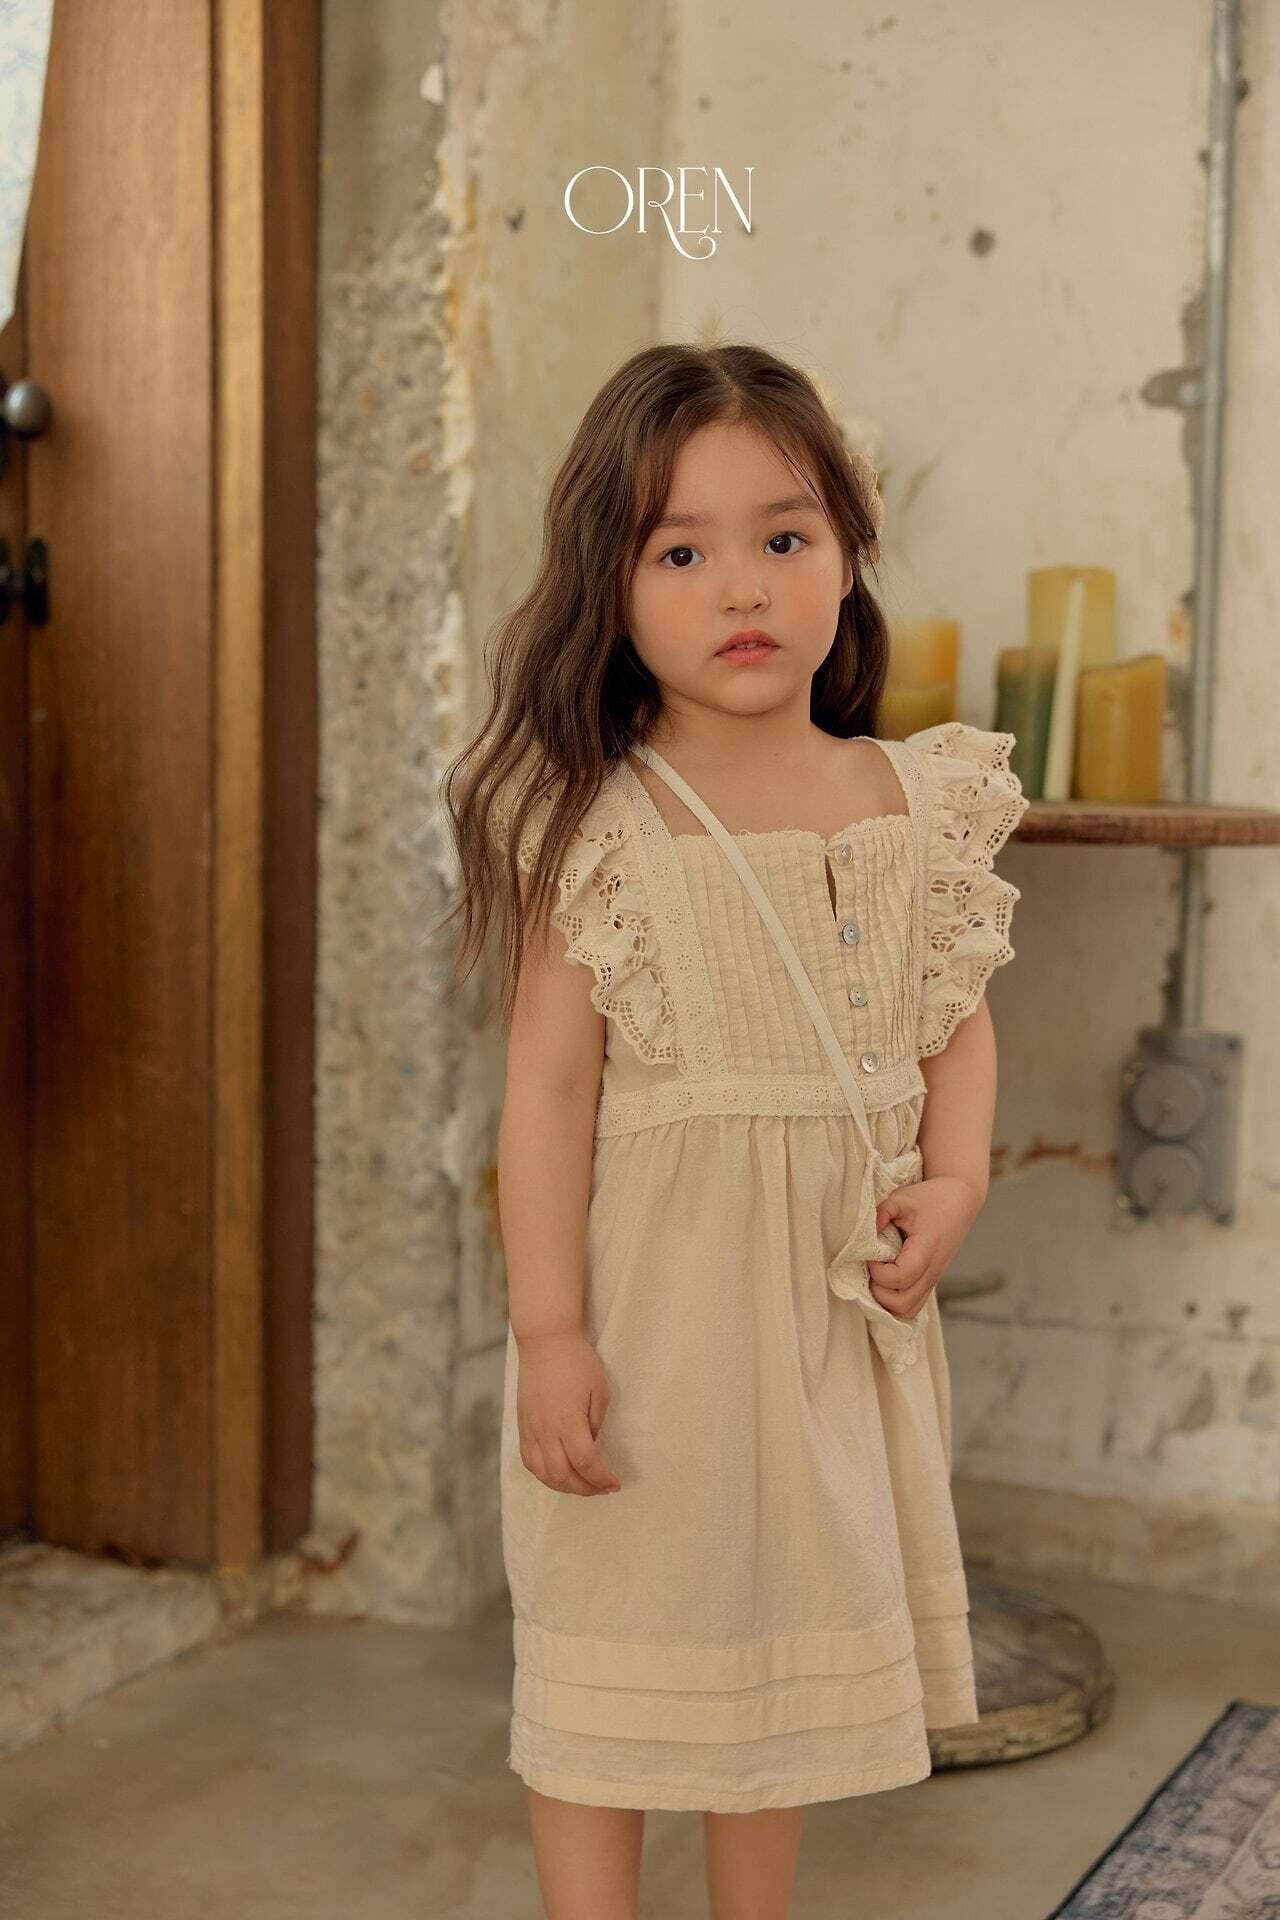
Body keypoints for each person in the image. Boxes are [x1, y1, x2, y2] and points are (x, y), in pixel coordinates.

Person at [439, 340, 1029, 1920]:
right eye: (681, 553)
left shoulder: (915, 799)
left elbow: (952, 1018)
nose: (743, 586)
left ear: (850, 548)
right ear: (612, 588)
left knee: (775, 1666)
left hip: (829, 1321)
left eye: (784, 536)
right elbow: (548, 1095)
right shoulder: (596, 821)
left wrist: (958, 1178)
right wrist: (549, 1331)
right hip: (657, 1317)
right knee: (621, 1643)